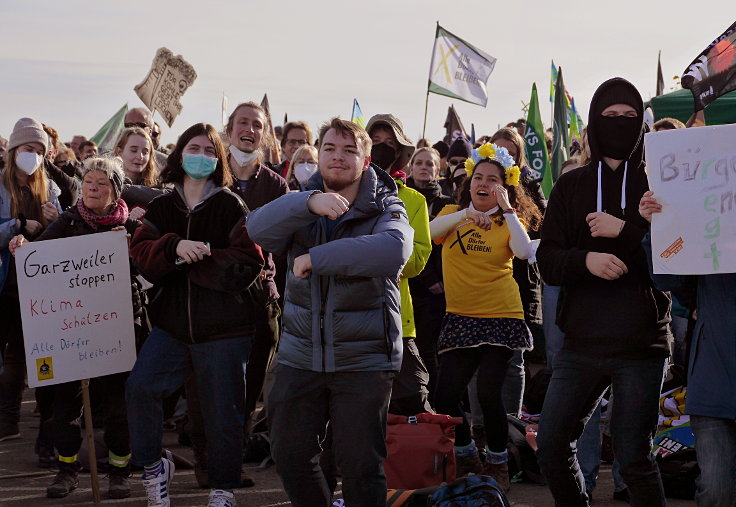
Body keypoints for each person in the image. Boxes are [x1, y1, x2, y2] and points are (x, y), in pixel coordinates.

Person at [247, 117, 413, 507]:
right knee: (289, 455)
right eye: (329, 149)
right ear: (318, 154)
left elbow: (394, 251)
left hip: (364, 358)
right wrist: (307, 203)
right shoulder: (301, 201)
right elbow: (257, 230)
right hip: (299, 355)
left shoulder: (386, 204)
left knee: (359, 466)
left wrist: (318, 258)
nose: (338, 158)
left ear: (367, 160)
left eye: (349, 150)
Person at [535, 77, 671, 507]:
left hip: (642, 343)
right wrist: (586, 261)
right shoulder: (571, 186)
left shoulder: (661, 184)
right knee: (552, 445)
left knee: (634, 459)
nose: (619, 125)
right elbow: (547, 260)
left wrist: (630, 230)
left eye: (630, 118)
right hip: (581, 342)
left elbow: (676, 259)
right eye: (610, 117)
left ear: (642, 125)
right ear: (594, 123)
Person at [126, 122, 264, 507]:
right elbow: (142, 252)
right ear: (179, 153)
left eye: (208, 150)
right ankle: (154, 470)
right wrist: (174, 248)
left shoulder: (231, 205)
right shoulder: (161, 205)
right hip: (171, 327)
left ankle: (223, 489)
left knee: (223, 413)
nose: (200, 156)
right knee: (141, 387)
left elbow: (247, 263)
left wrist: (196, 257)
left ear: (218, 159)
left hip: (224, 330)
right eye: (193, 147)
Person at [8, 157, 140, 499]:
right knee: (64, 409)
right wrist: (22, 247)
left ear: (115, 191)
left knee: (118, 408)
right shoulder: (67, 221)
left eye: (102, 184)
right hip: (70, 334)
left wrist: (128, 251)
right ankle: (67, 471)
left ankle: (119, 472)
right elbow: (36, 259)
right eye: (89, 182)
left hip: (116, 333)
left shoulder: (130, 229)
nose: (93, 188)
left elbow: (148, 267)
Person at [429, 143, 540, 491]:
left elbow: (524, 253)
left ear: (504, 187)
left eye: (494, 180)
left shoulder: (512, 221)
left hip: (501, 316)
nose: (484, 183)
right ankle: (467, 456)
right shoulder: (451, 213)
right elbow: (427, 234)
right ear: (469, 182)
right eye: (479, 177)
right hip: (461, 316)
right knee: (445, 397)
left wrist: (507, 210)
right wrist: (464, 215)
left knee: (489, 395)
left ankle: (498, 464)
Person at [640, 191, 736, 507]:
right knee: (717, 490)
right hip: (714, 381)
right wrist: (660, 225)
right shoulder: (713, 234)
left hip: (713, 377)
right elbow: (669, 277)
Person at [0, 118, 61, 442]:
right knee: (9, 357)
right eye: (28, 149)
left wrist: (54, 220)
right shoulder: (0, 185)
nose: (34, 156)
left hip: (37, 287)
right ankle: (7, 420)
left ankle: (38, 427)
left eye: (39, 150)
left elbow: (65, 234)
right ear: (13, 150)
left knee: (32, 355)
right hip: (5, 284)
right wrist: (19, 224)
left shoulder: (50, 188)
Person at [366, 113, 432, 415]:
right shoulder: (341, 194)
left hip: (397, 318)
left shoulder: (414, 200)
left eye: (389, 143)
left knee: (413, 397)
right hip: (351, 319)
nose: (381, 149)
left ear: (401, 151)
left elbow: (417, 259)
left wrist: (375, 260)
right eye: (375, 142)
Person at [406, 147, 454, 396]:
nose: (424, 167)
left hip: (438, 291)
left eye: (430, 164)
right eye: (419, 163)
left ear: (438, 169)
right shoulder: (403, 198)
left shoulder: (447, 203)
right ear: (411, 167)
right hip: (409, 283)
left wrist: (438, 280)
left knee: (430, 348)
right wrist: (427, 277)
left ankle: (433, 399)